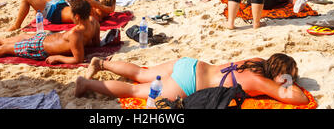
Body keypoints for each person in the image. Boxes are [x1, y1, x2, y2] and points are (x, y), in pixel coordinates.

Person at [75, 53, 310, 106]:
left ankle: (101, 63)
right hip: (188, 85)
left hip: (191, 64)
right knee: (134, 91)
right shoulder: (261, 81)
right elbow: (297, 99)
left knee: (139, 73)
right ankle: (85, 84)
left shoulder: (257, 61)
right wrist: (288, 82)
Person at [0, 0, 100, 65]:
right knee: (24, 36)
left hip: (40, 48)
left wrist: (58, 57)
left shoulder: (75, 34)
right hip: (46, 39)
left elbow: (78, 59)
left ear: (76, 17)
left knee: (6, 48)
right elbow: (96, 43)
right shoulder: (94, 22)